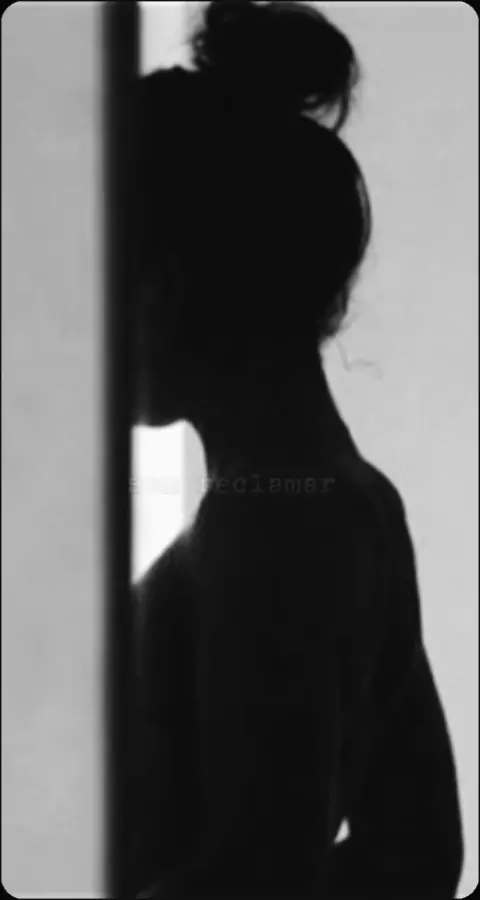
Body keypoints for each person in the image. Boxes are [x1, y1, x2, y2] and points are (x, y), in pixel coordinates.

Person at [129, 2, 464, 897]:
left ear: (167, 287)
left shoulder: (263, 529)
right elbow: (419, 854)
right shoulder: (352, 504)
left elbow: (256, 871)